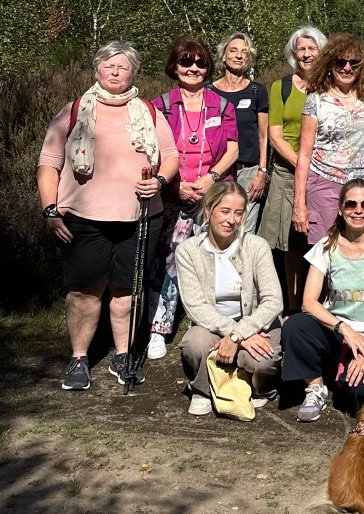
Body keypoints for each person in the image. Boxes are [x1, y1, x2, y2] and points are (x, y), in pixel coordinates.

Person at [38, 41, 178, 390]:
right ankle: (79, 358)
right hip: (83, 218)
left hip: (141, 218)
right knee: (84, 292)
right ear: (97, 69)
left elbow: (171, 156)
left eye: (123, 67)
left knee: (126, 291)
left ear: (134, 72)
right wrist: (50, 209)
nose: (115, 73)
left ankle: (122, 355)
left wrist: (160, 181)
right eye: (109, 66)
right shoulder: (73, 111)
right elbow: (49, 164)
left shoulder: (149, 111)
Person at [281, 178, 364, 422]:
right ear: (340, 208)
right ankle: (315, 387)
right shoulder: (327, 246)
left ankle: (345, 376)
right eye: (351, 204)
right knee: (295, 325)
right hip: (337, 330)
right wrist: (345, 329)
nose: (358, 210)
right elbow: (309, 302)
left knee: (358, 393)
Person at [149, 37, 239, 360]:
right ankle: (158, 328)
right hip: (174, 194)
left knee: (211, 261)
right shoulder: (160, 106)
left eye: (200, 63)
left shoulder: (222, 106)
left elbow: (233, 149)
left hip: (211, 194)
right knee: (169, 259)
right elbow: (153, 152)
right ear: (174, 67)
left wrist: (210, 178)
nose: (193, 68)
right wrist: (176, 187)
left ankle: (203, 326)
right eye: (186, 62)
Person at [176, 182, 283, 416]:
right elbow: (195, 306)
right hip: (213, 325)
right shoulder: (188, 251)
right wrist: (233, 335)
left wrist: (239, 335)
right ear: (208, 211)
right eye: (224, 211)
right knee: (195, 344)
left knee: (261, 360)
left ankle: (259, 387)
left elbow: (274, 300)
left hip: (256, 324)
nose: (231, 220)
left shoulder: (256, 246)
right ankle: (203, 389)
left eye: (238, 213)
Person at [292, 33, 364, 249]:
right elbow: (304, 155)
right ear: (330, 64)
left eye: (354, 63)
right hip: (324, 183)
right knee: (325, 253)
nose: (347, 68)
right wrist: (299, 203)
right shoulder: (316, 99)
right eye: (341, 62)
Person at [262, 26, 327, 314]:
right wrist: (304, 165)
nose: (306, 53)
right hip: (288, 173)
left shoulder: (330, 86)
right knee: (292, 244)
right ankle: (292, 304)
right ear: (293, 54)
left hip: (326, 173)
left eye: (311, 48)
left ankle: (320, 304)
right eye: (301, 48)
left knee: (322, 240)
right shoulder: (281, 87)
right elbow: (275, 136)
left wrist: (317, 166)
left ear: (321, 51)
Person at [209, 32, 269, 238]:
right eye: (233, 50)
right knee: (216, 231)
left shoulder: (256, 91)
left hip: (249, 173)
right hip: (217, 172)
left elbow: (264, 135)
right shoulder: (209, 92)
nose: (239, 56)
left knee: (244, 233)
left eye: (244, 52)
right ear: (223, 56)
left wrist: (262, 171)